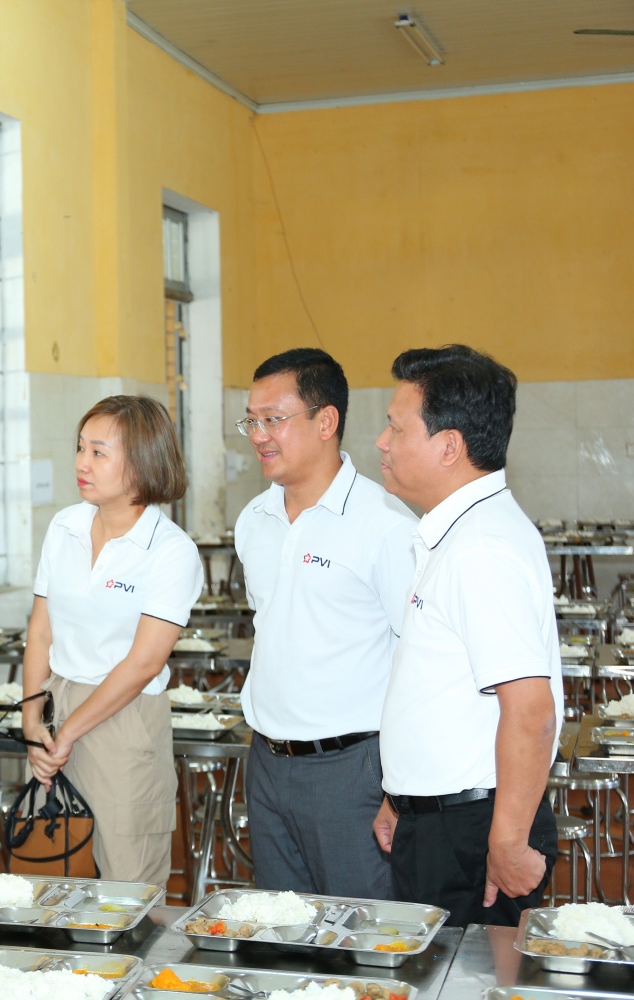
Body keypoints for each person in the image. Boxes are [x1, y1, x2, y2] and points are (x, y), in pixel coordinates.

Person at [372, 345, 562, 927]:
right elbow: (442, 687)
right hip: (441, 820)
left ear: (448, 446)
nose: (382, 441)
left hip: (472, 834)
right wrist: (401, 794)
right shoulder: (456, 534)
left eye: (395, 427)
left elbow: (530, 711)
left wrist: (505, 843)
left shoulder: (481, 548)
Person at [233, 349, 415, 898]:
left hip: (352, 770)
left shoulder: (383, 523)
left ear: (325, 421)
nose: (259, 434)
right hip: (266, 761)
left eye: (274, 419)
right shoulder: (254, 521)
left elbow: (420, 658)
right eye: (252, 420)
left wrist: (400, 788)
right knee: (281, 936)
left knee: (360, 939)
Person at [23, 396, 202, 885]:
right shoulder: (65, 527)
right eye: (80, 448)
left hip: (124, 720)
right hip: (57, 707)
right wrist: (32, 719)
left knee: (128, 886)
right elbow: (40, 629)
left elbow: (142, 663)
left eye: (99, 452)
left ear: (142, 461)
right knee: (51, 874)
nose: (82, 463)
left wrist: (67, 733)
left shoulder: (170, 551)